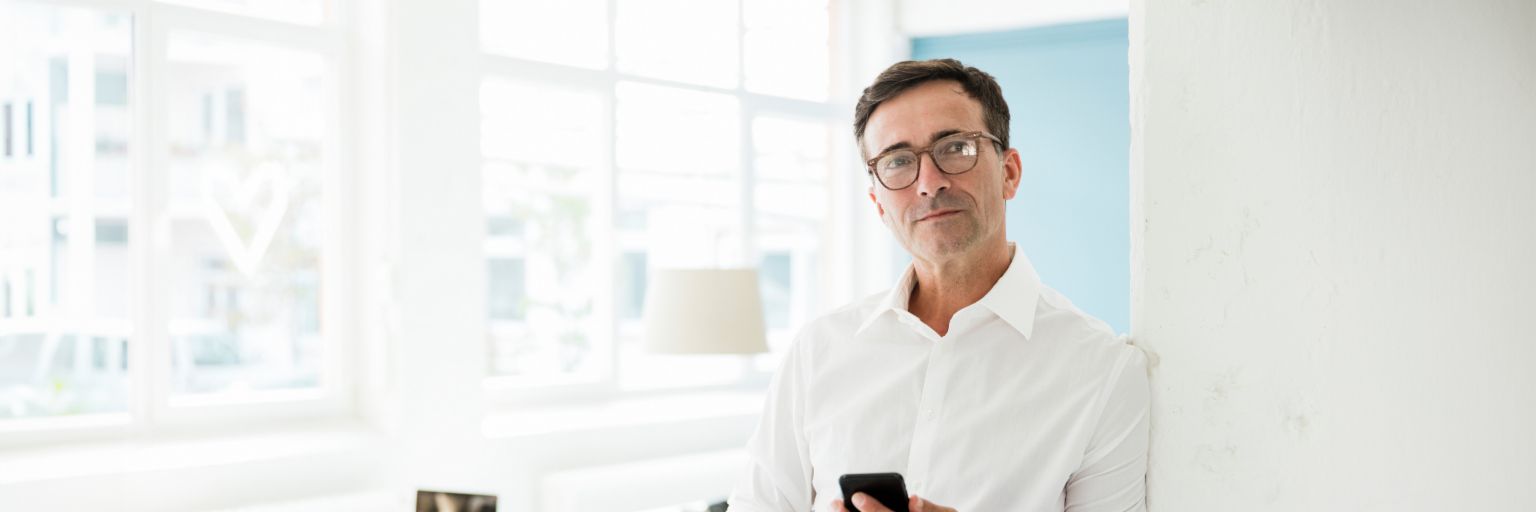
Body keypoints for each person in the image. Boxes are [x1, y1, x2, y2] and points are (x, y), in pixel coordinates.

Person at [727, 59, 1150, 512]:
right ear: (877, 202)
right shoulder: (818, 352)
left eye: (954, 148)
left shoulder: (1103, 370)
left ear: (1009, 172)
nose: (929, 183)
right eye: (898, 161)